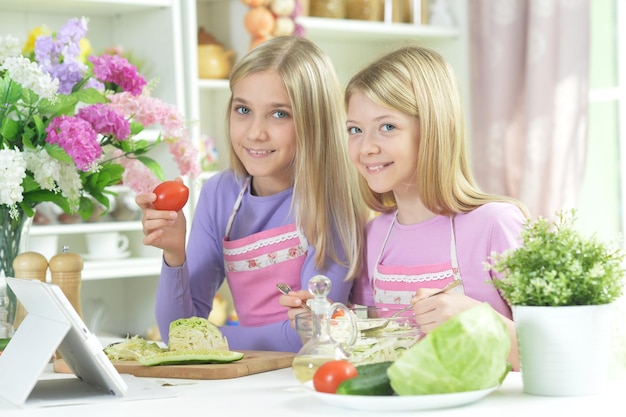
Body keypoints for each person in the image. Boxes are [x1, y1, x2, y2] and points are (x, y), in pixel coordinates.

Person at [281, 45, 529, 370]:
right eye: (355, 130)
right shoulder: (374, 235)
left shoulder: (496, 225)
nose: (367, 147)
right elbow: (372, 349)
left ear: (433, 129)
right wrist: (326, 321)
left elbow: (552, 357)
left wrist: (475, 318)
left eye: (387, 127)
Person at [136, 36, 369, 352]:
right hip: (248, 379)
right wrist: (174, 255)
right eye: (243, 109)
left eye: (279, 114)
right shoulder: (220, 193)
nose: (255, 132)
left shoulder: (333, 201)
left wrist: (208, 340)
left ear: (315, 122)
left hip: (308, 379)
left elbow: (312, 336)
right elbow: (176, 331)